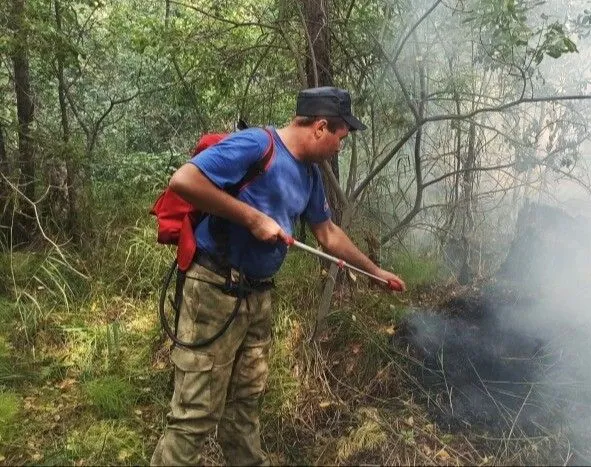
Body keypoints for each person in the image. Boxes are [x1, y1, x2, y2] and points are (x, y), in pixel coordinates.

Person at [151, 86, 406, 466]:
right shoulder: (257, 145)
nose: (340, 147)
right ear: (320, 127)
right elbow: (184, 181)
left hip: (257, 297)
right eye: (341, 137)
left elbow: (328, 233)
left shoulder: (309, 175)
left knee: (245, 405)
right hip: (215, 290)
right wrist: (252, 218)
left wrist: (373, 271)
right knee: (196, 413)